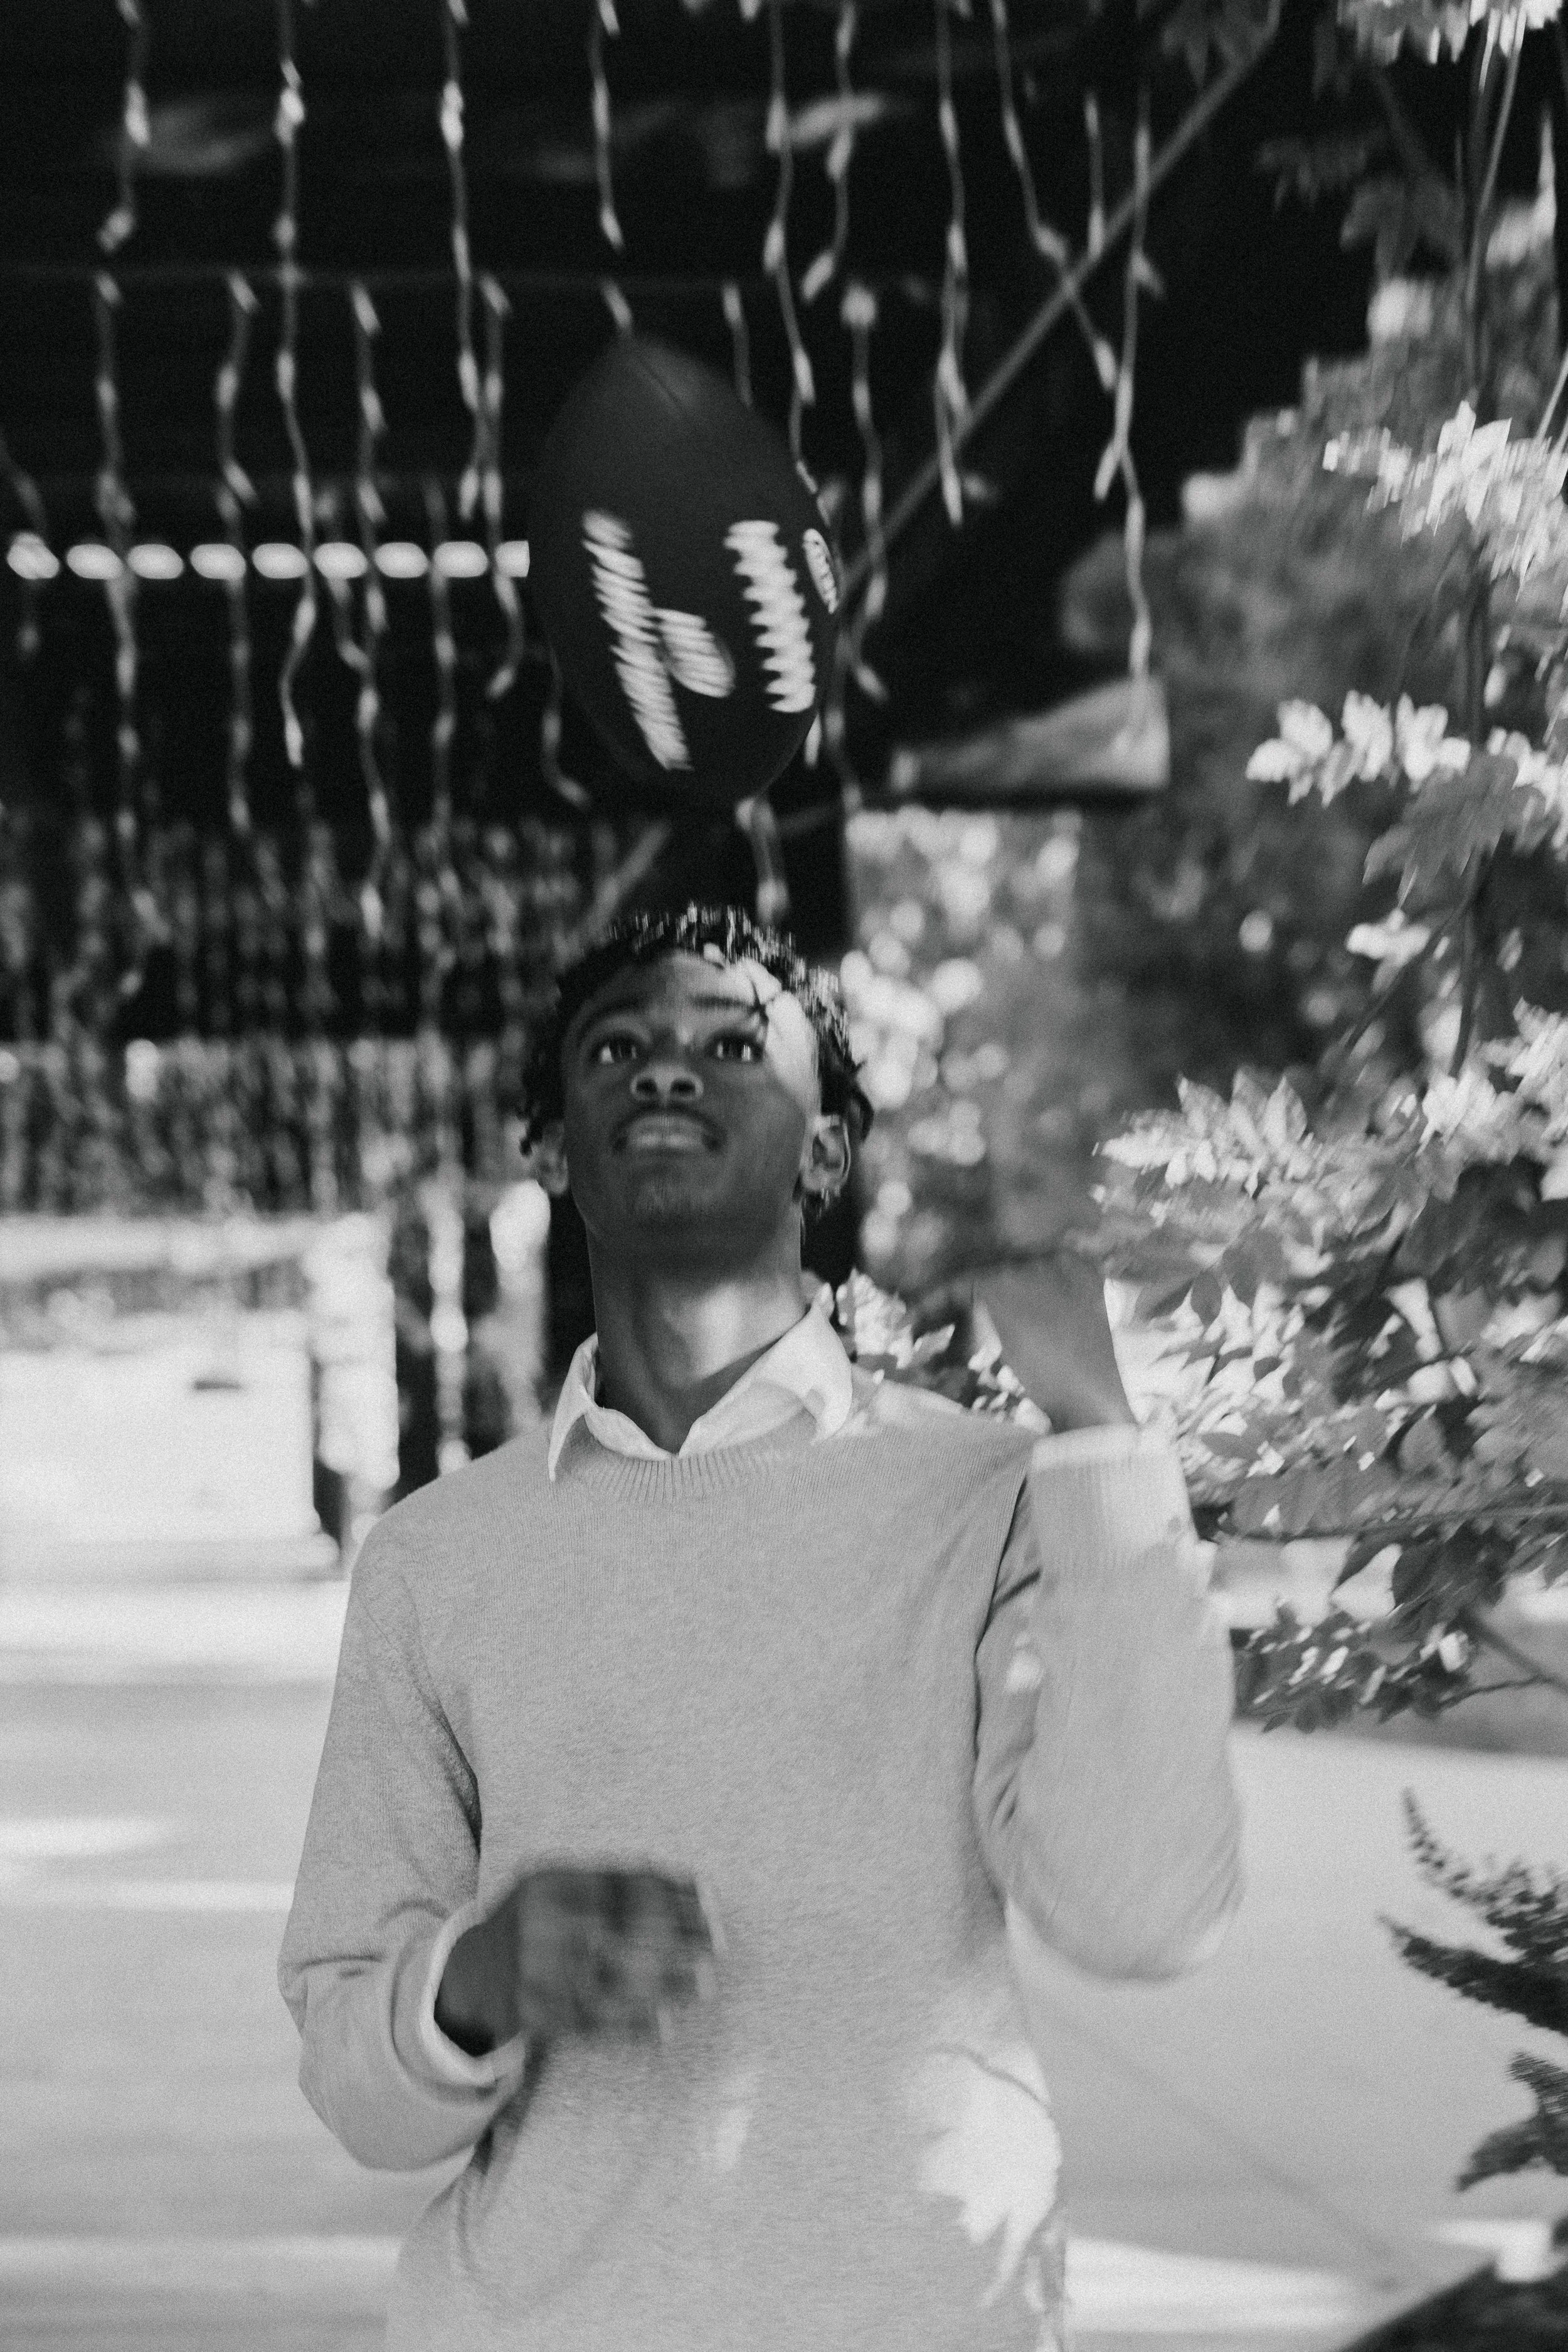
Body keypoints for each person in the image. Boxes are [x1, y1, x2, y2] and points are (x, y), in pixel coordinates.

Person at [279, 901, 1242, 2352]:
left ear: (825, 1151)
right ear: (549, 1147)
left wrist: (1102, 1438)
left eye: (733, 1047)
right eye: (617, 1050)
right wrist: (475, 1980)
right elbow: (359, 2089)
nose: (668, 1070)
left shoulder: (988, 1498)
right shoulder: (434, 1559)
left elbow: (1142, 1912)